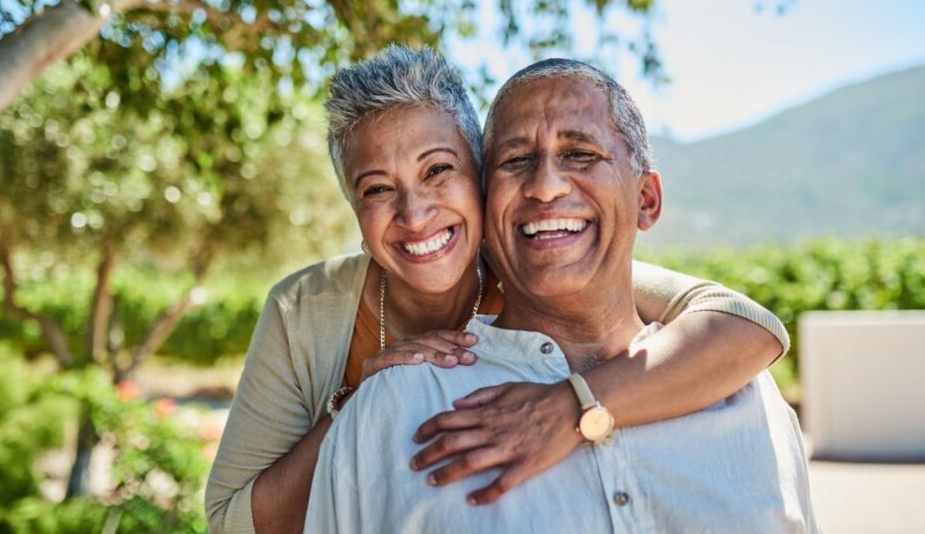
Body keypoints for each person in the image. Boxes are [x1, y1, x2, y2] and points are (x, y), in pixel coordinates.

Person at [206, 47, 792, 534]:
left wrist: (574, 407)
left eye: (438, 170)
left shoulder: (543, 258)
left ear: (478, 181)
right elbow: (231, 521)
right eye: (378, 190)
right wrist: (355, 402)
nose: (416, 213)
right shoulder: (309, 314)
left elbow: (742, 323)